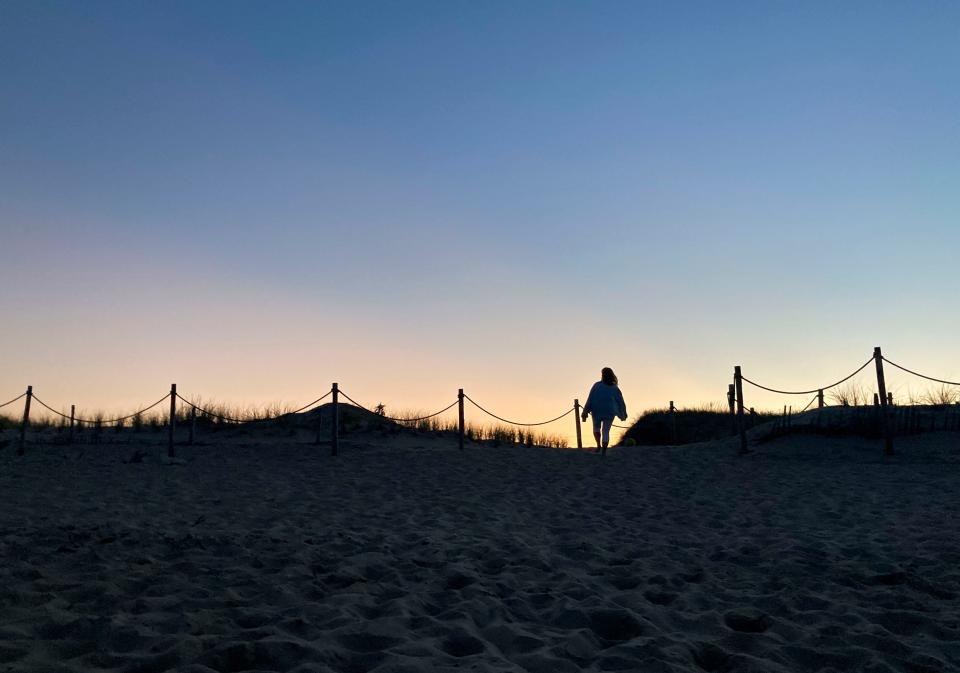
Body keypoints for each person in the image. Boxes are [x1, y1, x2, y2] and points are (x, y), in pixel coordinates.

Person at [581, 367, 627, 456]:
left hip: (597, 410)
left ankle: (598, 446)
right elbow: (621, 401)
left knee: (596, 428)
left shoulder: (596, 385)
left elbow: (590, 399)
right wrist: (623, 413)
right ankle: (604, 451)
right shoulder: (615, 388)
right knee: (606, 431)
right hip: (610, 411)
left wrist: (585, 411)